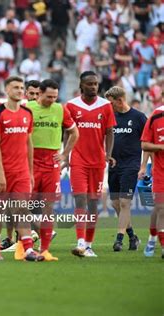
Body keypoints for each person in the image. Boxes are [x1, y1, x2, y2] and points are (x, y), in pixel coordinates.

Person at [0, 76, 44, 262]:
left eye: (21, 88)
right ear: (6, 90)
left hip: (21, 173)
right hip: (2, 173)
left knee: (21, 210)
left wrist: (29, 172)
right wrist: (1, 174)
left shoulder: (27, 113)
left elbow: (29, 143)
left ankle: (28, 249)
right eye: (16, 87)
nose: (20, 91)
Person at [65, 71, 116, 258]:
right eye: (89, 84)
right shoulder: (71, 106)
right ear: (81, 85)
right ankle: (80, 242)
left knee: (93, 203)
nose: (93, 87)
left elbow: (110, 132)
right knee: (80, 199)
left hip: (98, 161)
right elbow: (67, 132)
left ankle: (88, 244)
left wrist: (108, 155)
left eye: (95, 84)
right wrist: (65, 155)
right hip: (78, 160)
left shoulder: (106, 106)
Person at [28, 79, 79, 261]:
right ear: (39, 93)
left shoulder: (60, 109)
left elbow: (74, 132)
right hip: (31, 162)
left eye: (55, 97)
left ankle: (44, 249)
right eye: (49, 96)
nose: (52, 100)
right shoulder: (28, 109)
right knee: (23, 205)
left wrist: (65, 154)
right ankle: (26, 245)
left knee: (48, 207)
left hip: (51, 163)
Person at [105, 86, 149, 252]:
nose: (108, 107)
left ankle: (119, 240)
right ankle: (132, 236)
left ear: (120, 100)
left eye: (110, 103)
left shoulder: (138, 117)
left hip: (131, 165)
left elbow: (147, 143)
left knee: (125, 203)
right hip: (114, 165)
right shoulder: (111, 118)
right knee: (116, 204)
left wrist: (144, 166)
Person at [141, 104, 164, 259]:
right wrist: (161, 147)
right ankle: (155, 240)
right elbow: (145, 145)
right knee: (160, 208)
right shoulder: (156, 116)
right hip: (161, 172)